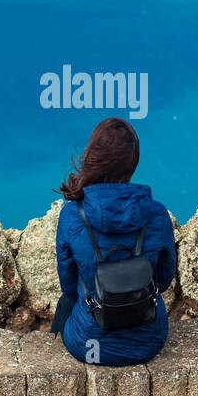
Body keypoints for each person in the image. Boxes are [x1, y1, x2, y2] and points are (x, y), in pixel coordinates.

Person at [50, 117, 176, 366]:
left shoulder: (73, 215)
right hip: (149, 341)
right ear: (133, 162)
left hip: (89, 345)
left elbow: (68, 285)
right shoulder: (157, 213)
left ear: (93, 157)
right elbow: (164, 278)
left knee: (66, 303)